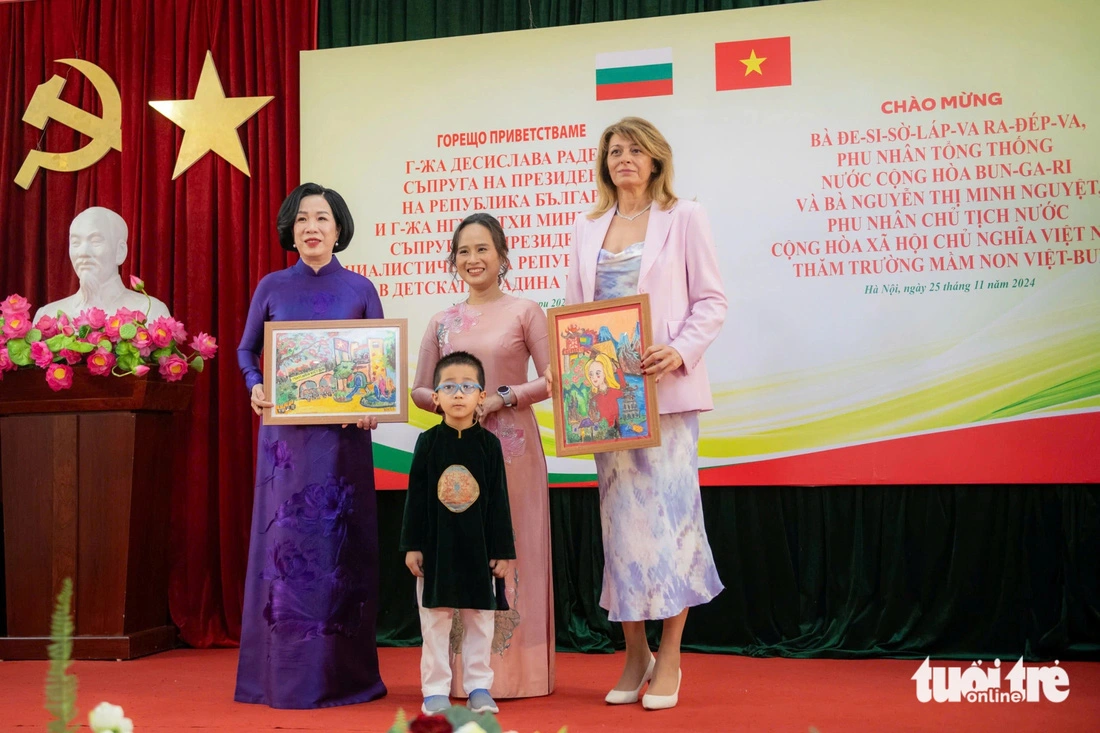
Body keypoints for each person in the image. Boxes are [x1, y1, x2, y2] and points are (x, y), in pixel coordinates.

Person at [553, 117, 727, 710]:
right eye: (613, 150)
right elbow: (577, 314)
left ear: (655, 159)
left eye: (634, 150)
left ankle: (672, 653)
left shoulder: (685, 218)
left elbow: (711, 301)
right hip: (606, 401)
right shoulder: (585, 227)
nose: (623, 158)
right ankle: (634, 653)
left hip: (666, 396)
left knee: (674, 523)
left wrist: (677, 349)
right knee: (620, 527)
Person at [234, 183, 387, 709]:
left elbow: (377, 368)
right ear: (290, 229)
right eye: (302, 220)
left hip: (344, 443)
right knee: (287, 546)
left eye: (322, 218)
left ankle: (344, 677)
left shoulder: (361, 289)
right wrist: (255, 383)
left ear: (339, 227)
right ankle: (279, 676)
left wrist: (374, 400)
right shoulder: (272, 286)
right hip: (285, 444)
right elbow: (246, 348)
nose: (312, 228)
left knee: (338, 547)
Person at [411, 212, 555, 698]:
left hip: (512, 450)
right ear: (453, 260)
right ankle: (460, 679)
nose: (473, 259)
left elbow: (553, 379)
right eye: (464, 251)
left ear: (502, 256)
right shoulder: (441, 321)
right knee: (458, 548)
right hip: (454, 456)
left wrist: (503, 398)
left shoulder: (525, 311)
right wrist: (456, 403)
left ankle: (519, 674)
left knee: (510, 546)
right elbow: (418, 391)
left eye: (482, 249)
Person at [401, 350, 517, 716]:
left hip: (479, 548)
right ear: (434, 397)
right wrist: (412, 546)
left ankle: (478, 686)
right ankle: (434, 688)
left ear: (482, 396)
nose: (458, 394)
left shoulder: (490, 446)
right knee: (434, 618)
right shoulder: (428, 443)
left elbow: (499, 501)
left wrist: (503, 551)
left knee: (480, 619)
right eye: (448, 387)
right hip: (436, 548)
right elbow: (416, 498)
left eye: (468, 386)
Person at [33, 206, 171, 323]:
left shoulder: (148, 311)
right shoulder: (48, 316)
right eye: (75, 243)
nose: (83, 253)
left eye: (95, 241)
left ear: (120, 251)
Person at [584, 351, 625, 432]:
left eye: (597, 373)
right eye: (591, 375)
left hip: (615, 428)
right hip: (601, 430)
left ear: (605, 372)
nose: (594, 378)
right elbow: (592, 415)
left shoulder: (613, 392)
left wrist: (619, 371)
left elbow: (623, 389)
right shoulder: (594, 398)